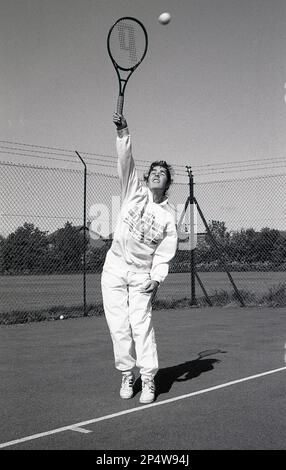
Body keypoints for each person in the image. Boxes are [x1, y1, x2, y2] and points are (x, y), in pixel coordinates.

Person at [101, 112, 178, 404]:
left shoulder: (169, 215)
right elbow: (126, 161)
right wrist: (123, 131)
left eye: (163, 172)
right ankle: (126, 374)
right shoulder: (133, 192)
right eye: (154, 170)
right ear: (146, 178)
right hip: (114, 269)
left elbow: (165, 251)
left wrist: (156, 279)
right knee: (119, 327)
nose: (157, 173)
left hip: (142, 275)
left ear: (168, 182)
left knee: (141, 325)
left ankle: (148, 380)